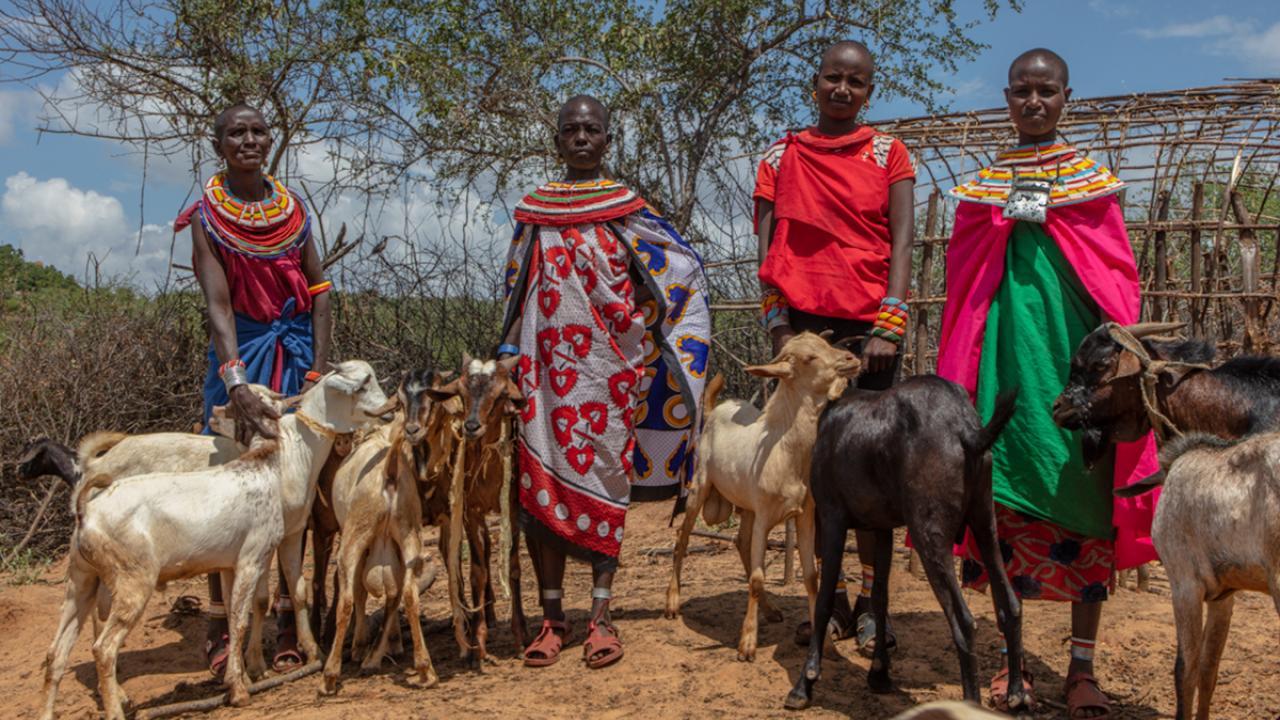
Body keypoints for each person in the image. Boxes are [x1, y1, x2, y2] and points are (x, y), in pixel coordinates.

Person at [937, 49, 1159, 719]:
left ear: (1067, 97)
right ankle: (1012, 660)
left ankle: (1082, 669)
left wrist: (1111, 376)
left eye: (1047, 91)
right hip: (1003, 369)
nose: (1034, 102)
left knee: (1088, 500)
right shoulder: (983, 191)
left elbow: (1114, 284)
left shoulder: (1094, 188)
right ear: (1007, 97)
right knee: (1000, 502)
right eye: (1022, 91)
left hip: (1075, 375)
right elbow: (967, 290)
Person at [498, 95, 710, 669]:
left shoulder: (628, 210)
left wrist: (638, 324)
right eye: (572, 129)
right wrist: (507, 354)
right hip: (543, 378)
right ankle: (551, 620)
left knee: (607, 486)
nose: (582, 137)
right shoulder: (534, 212)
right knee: (539, 496)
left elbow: (679, 270)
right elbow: (516, 292)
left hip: (608, 374)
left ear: (608, 141)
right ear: (558, 138)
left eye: (593, 129)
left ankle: (600, 617)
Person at [754, 40, 915, 653]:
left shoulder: (888, 153)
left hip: (870, 334)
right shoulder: (780, 155)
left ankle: (875, 608)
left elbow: (900, 245)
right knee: (816, 476)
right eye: (832, 79)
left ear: (869, 91)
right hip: (803, 335)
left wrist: (888, 326)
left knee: (874, 472)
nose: (842, 89)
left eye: (856, 81)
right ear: (814, 84)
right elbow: (770, 253)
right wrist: (780, 332)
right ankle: (834, 599)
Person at [175, 103, 333, 677]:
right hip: (240, 356)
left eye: (258, 131)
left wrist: (316, 371)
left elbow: (319, 288)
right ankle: (222, 628)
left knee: (302, 491)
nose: (249, 140)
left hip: (295, 359)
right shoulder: (206, 218)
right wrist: (235, 379)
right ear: (218, 144)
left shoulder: (293, 210)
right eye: (236, 133)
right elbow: (218, 305)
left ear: (271, 139)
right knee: (229, 487)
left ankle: (293, 621)